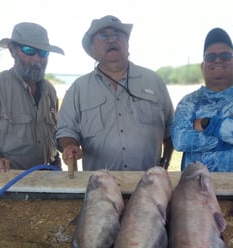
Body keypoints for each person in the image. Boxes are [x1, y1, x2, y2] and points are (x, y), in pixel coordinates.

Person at [56, 15, 174, 171]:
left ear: (127, 44)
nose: (112, 40)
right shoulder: (78, 88)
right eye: (104, 36)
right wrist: (69, 145)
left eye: (118, 35)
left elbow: (171, 129)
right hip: (99, 186)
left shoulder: (154, 81)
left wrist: (165, 162)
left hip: (149, 184)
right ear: (92, 50)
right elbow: (66, 130)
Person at [0, 22, 64, 173]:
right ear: (13, 51)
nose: (37, 59)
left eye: (43, 53)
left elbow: (52, 138)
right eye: (29, 50)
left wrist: (60, 161)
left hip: (49, 175)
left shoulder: (50, 91)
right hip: (10, 181)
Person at [171, 28, 233, 172]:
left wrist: (206, 123)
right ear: (203, 66)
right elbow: (180, 140)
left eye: (225, 56)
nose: (217, 60)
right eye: (210, 57)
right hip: (195, 190)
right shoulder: (189, 102)